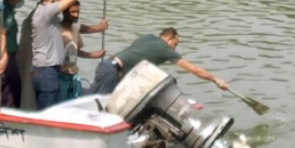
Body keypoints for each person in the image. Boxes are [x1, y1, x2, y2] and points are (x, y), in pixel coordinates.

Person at [88, 27, 230, 94]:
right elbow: (194, 70)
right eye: (175, 44)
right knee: (96, 108)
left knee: (88, 99)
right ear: (169, 39)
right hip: (112, 73)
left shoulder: (147, 37)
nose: (174, 49)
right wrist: (216, 80)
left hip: (106, 66)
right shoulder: (165, 49)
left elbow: (134, 59)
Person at [30, 0, 77, 110]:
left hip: (40, 68)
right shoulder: (47, 12)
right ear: (52, 0)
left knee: (42, 106)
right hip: (47, 70)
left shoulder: (41, 12)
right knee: (46, 111)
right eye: (59, 4)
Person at [58, 0, 107, 101]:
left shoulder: (74, 28)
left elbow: (76, 51)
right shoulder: (57, 31)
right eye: (73, 12)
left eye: (78, 12)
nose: (76, 15)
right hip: (59, 76)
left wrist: (94, 55)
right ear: (64, 12)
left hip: (73, 75)